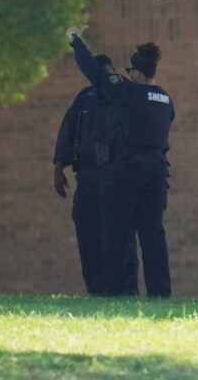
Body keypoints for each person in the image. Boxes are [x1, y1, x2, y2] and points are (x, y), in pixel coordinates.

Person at [66, 26, 174, 297]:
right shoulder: (165, 99)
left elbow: (94, 72)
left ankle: (113, 290)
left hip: (126, 169)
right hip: (157, 171)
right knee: (153, 234)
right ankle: (160, 292)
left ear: (136, 73)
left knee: (117, 231)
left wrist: (77, 42)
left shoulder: (128, 94)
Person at [53, 54, 139, 296]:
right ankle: (96, 289)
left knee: (122, 233)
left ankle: (127, 289)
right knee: (87, 230)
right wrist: (59, 167)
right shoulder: (85, 98)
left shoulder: (124, 94)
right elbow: (68, 129)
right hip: (88, 175)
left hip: (117, 173)